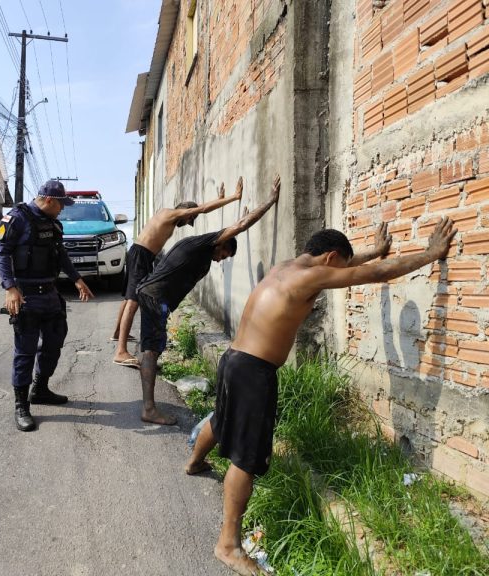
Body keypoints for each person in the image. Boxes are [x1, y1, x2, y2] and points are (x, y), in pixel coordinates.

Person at [184, 217, 457, 575]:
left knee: (222, 421)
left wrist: (372, 251)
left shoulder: (289, 267)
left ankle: (194, 462)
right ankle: (228, 544)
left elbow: (349, 268)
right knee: (246, 458)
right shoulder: (313, 276)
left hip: (233, 360)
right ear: (330, 258)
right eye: (341, 265)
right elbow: (376, 274)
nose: (340, 275)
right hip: (254, 372)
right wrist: (430, 254)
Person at [137, 176, 280, 425]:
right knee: (151, 350)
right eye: (224, 254)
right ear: (221, 243)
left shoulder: (203, 250)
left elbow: (235, 230)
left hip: (154, 296)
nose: (220, 260)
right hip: (154, 296)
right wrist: (269, 202)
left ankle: (149, 404)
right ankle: (149, 409)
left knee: (152, 347)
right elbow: (242, 225)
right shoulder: (203, 244)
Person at [0, 179, 95, 432]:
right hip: (25, 295)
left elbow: (60, 254)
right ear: (49, 200)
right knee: (25, 351)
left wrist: (77, 280)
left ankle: (40, 389)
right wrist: (10, 287)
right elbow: (1, 253)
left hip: (50, 294)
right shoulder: (16, 218)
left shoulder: (53, 222)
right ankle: (21, 405)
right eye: (61, 204)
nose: (63, 209)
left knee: (54, 343)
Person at [112, 177, 243, 368]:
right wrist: (233, 197)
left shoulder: (166, 215)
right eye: (190, 219)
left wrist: (220, 199)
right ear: (186, 212)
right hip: (141, 254)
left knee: (129, 298)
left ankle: (117, 334)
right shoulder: (172, 214)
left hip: (141, 254)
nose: (188, 223)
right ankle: (120, 351)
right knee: (133, 301)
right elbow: (204, 209)